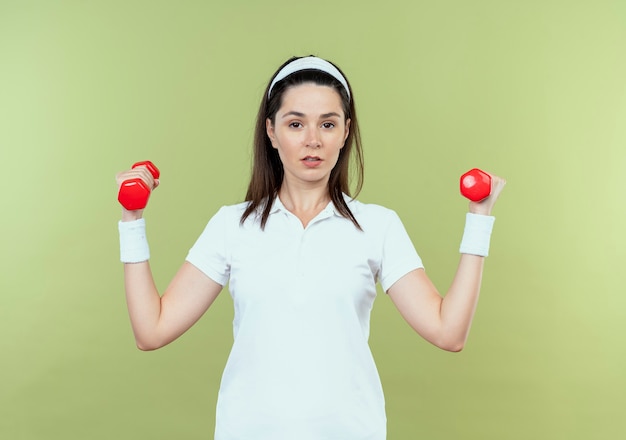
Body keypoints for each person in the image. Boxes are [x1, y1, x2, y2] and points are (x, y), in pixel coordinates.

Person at [116, 55, 506, 440]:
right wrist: (131, 220)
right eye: (296, 123)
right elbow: (151, 331)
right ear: (271, 131)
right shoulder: (232, 225)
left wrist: (479, 217)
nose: (313, 140)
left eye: (328, 124)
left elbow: (448, 331)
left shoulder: (377, 226)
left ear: (346, 131)